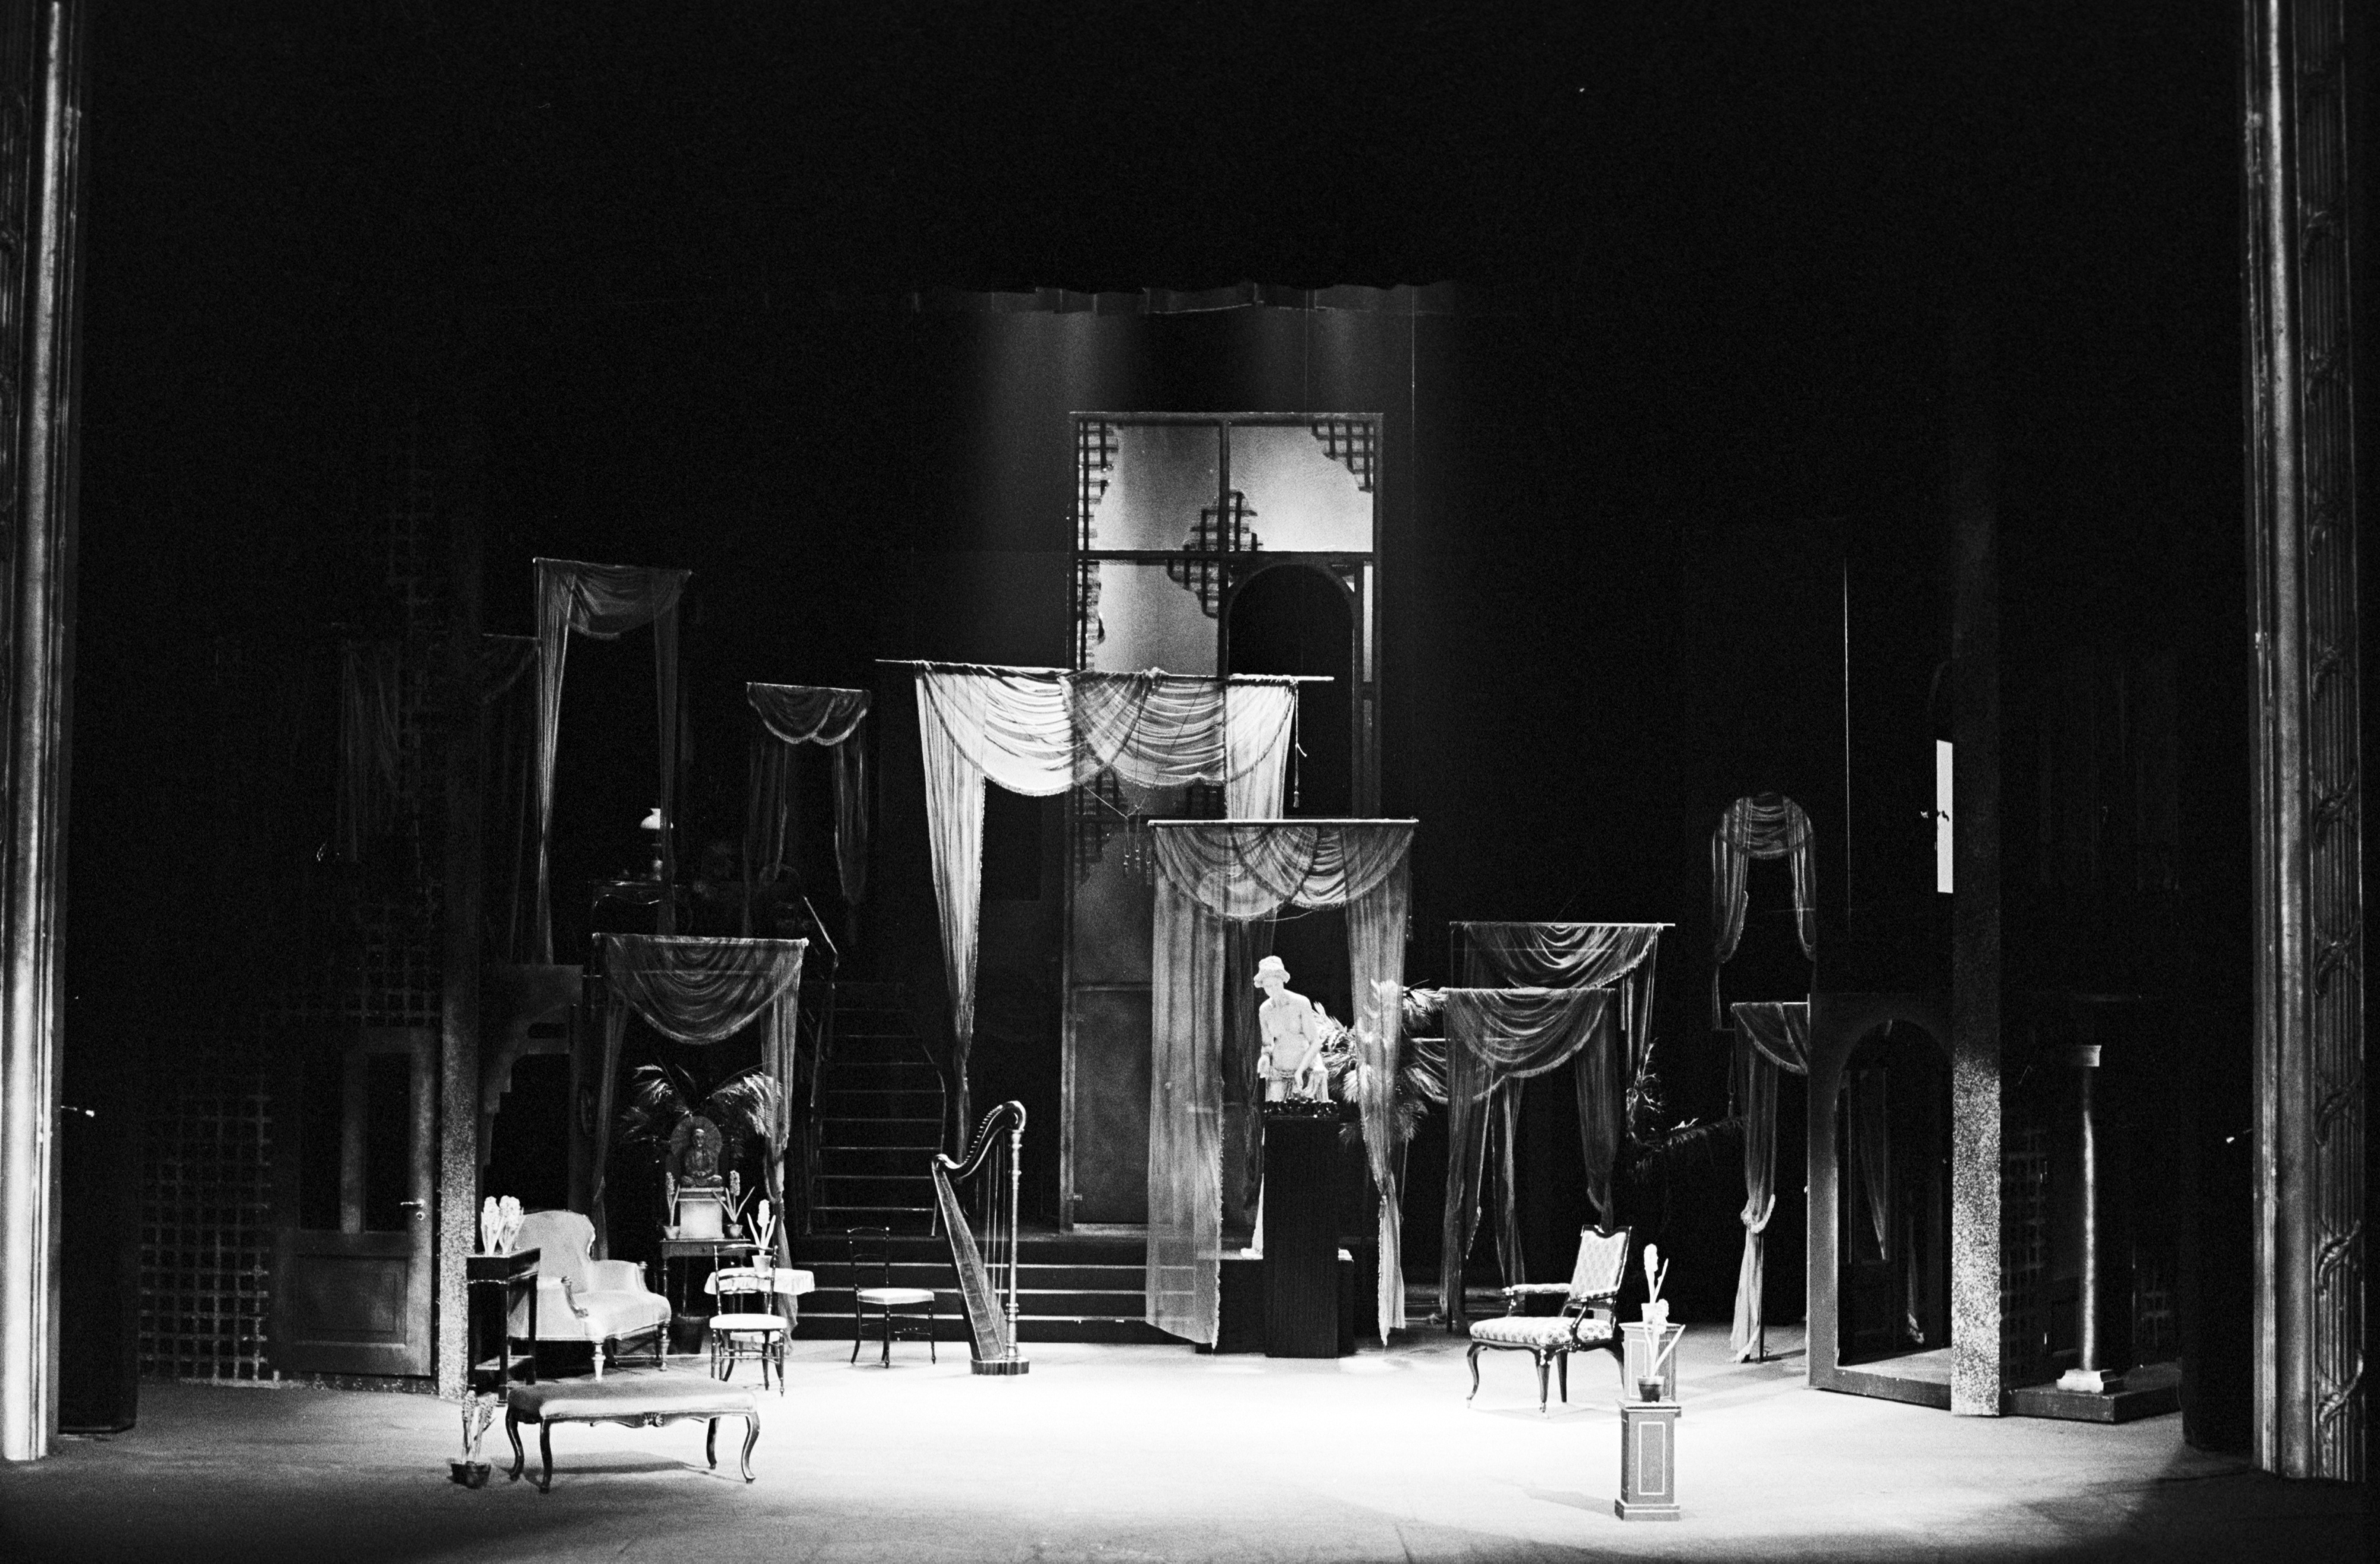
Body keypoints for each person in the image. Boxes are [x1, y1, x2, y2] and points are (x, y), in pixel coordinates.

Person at [1254, 955, 1332, 1102]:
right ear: (1263, 986)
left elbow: (1315, 1042)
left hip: (1305, 1070)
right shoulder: (1264, 1010)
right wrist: (1265, 1058)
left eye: (1276, 984)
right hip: (1278, 1073)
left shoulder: (1300, 1003)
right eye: (1268, 986)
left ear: (1283, 980)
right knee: (1276, 1113)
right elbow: (1267, 1044)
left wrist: (1300, 1071)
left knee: (1308, 1112)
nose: (1273, 989)